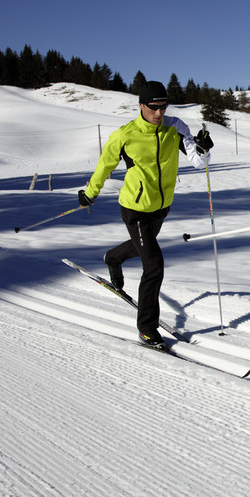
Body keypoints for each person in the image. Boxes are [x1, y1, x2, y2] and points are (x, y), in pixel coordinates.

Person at [78, 81, 214, 346]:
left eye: (163, 107)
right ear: (141, 105)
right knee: (154, 265)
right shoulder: (125, 135)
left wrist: (203, 148)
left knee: (143, 247)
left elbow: (199, 163)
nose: (159, 113)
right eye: (153, 108)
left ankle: (112, 258)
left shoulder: (175, 127)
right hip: (135, 209)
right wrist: (89, 193)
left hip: (161, 207)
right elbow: (104, 166)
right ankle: (146, 327)